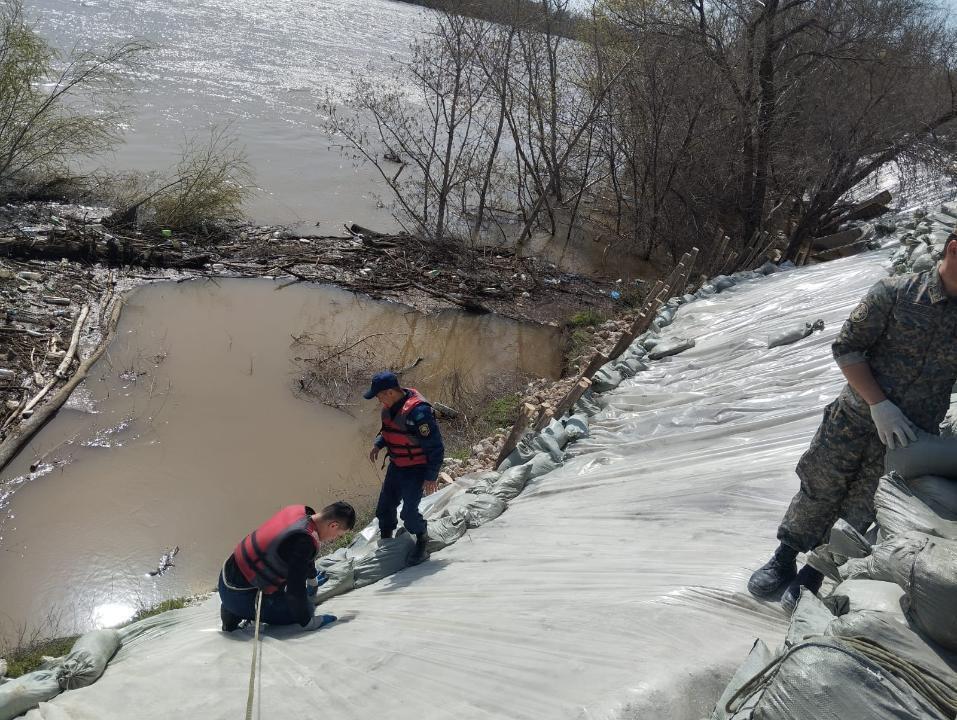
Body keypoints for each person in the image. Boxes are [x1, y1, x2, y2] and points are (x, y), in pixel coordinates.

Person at [748, 232, 957, 611]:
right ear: (955, 249)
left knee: (863, 507)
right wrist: (879, 404)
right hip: (856, 416)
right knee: (820, 486)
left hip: (906, 437)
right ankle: (784, 557)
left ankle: (813, 573)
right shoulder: (896, 293)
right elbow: (847, 348)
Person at [219, 501, 356, 632]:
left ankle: (232, 610)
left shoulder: (300, 512)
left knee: (299, 599)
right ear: (333, 525)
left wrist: (312, 580)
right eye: (338, 535)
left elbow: (296, 550)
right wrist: (308, 622)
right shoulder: (304, 542)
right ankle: (236, 611)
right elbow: (294, 591)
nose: (334, 539)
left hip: (225, 577)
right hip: (239, 595)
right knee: (306, 608)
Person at [365, 370, 444, 566]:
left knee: (408, 513)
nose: (378, 400)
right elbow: (391, 430)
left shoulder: (419, 413)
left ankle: (422, 540)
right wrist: (378, 444)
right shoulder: (391, 406)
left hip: (416, 469)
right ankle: (386, 538)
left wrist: (431, 476)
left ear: (390, 392)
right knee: (385, 507)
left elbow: (435, 447)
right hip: (397, 465)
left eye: (379, 395)